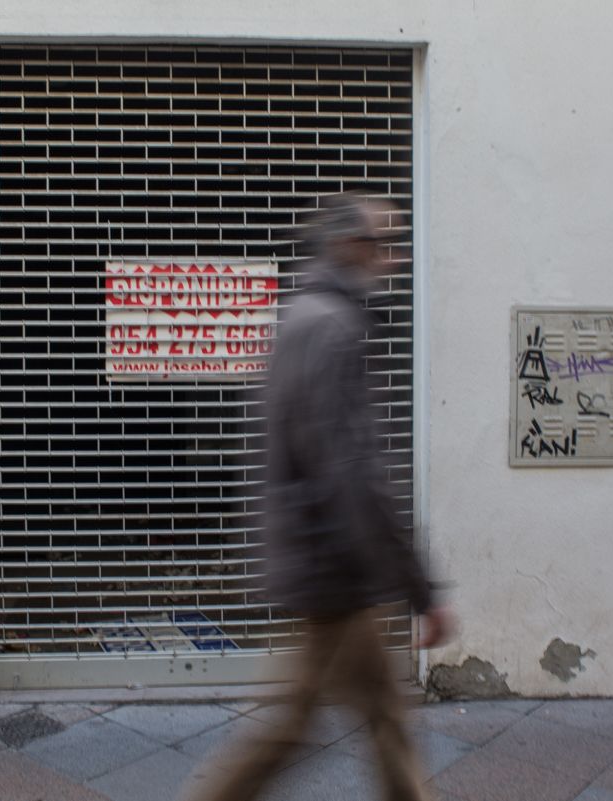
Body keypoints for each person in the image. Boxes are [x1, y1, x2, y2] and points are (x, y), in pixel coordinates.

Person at [194, 193, 453, 801]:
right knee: (291, 725)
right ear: (348, 247)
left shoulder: (306, 313)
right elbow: (353, 474)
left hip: (327, 560)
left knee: (382, 716)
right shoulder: (333, 327)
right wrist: (419, 589)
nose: (395, 258)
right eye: (384, 244)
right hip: (332, 567)